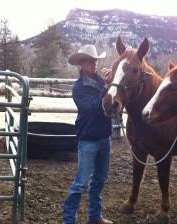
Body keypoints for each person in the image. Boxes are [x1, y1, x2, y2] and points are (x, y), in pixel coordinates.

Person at [63, 45, 113, 224]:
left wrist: (112, 83)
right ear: (81, 64)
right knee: (81, 183)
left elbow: (111, 102)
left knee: (99, 179)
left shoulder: (102, 81)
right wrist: (106, 87)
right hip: (88, 140)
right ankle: (69, 221)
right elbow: (93, 108)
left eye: (96, 60)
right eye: (90, 61)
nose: (95, 63)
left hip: (104, 138)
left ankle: (94, 216)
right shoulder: (78, 88)